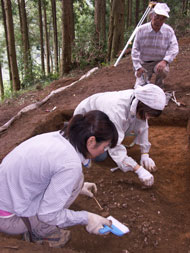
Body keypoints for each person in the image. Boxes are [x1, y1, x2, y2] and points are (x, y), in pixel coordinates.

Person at [0, 110, 118, 248]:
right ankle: (42, 232)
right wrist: (87, 218)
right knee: (75, 181)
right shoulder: (70, 164)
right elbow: (47, 215)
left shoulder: (59, 137)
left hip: (6, 201)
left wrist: (79, 188)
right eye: (105, 146)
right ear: (91, 141)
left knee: (77, 182)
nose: (104, 151)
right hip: (10, 220)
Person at [74, 84, 166, 187]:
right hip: (86, 118)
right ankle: (77, 139)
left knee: (127, 135)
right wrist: (138, 169)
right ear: (141, 106)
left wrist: (145, 154)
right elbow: (115, 146)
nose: (148, 118)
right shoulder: (116, 111)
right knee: (100, 155)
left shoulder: (137, 102)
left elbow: (143, 126)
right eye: (148, 115)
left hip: (103, 117)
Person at [131, 3, 179, 88]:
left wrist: (165, 61)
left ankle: (159, 86)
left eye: (162, 19)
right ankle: (144, 83)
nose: (158, 21)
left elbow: (174, 48)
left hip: (160, 62)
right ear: (151, 16)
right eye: (157, 17)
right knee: (141, 87)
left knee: (163, 70)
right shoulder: (141, 30)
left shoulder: (168, 31)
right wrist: (138, 67)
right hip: (144, 64)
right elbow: (135, 50)